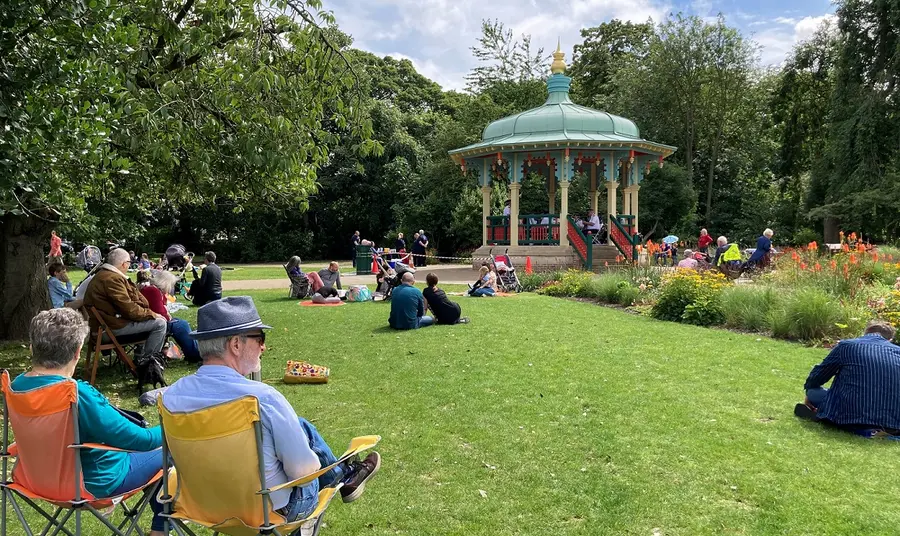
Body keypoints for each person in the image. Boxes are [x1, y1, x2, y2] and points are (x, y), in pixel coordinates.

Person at [161, 297, 381, 522]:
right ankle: (340, 477)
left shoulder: (170, 397)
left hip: (203, 509)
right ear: (236, 344)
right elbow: (304, 472)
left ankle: (342, 476)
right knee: (305, 457)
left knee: (296, 426)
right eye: (260, 338)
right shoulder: (262, 399)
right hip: (266, 515)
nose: (264, 347)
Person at [13, 309, 165, 535]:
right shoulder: (75, 393)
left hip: (36, 480)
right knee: (169, 450)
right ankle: (160, 529)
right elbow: (141, 440)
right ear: (77, 352)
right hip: (93, 484)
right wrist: (173, 428)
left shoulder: (16, 387)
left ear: (33, 348)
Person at [797, 321, 900, 435]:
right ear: (890, 340)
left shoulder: (846, 346)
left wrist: (808, 393)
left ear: (865, 333)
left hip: (849, 414)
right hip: (893, 422)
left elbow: (818, 376)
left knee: (813, 392)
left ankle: (821, 412)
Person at [83, 248, 167, 359]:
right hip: (110, 329)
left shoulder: (103, 275)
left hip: (105, 326)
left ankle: (140, 357)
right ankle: (149, 362)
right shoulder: (112, 279)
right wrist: (152, 314)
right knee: (160, 323)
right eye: (129, 263)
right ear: (124, 264)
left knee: (144, 318)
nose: (128, 266)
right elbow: (130, 309)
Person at [137, 270, 201, 363]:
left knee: (181, 324)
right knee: (182, 326)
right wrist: (168, 317)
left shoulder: (153, 290)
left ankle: (193, 351)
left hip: (151, 320)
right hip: (154, 322)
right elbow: (160, 312)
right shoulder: (153, 291)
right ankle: (194, 353)